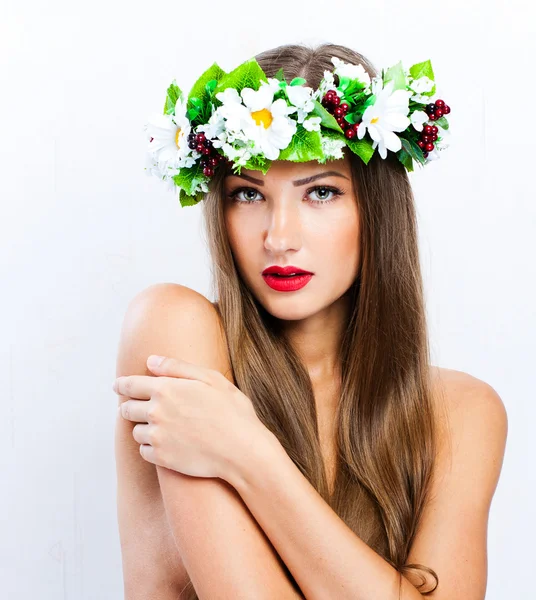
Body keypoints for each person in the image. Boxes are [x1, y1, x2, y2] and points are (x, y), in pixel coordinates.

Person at [113, 43, 508, 600]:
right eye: (248, 194)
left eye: (320, 192)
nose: (279, 237)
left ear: (376, 208)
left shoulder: (460, 412)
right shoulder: (174, 333)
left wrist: (248, 454)